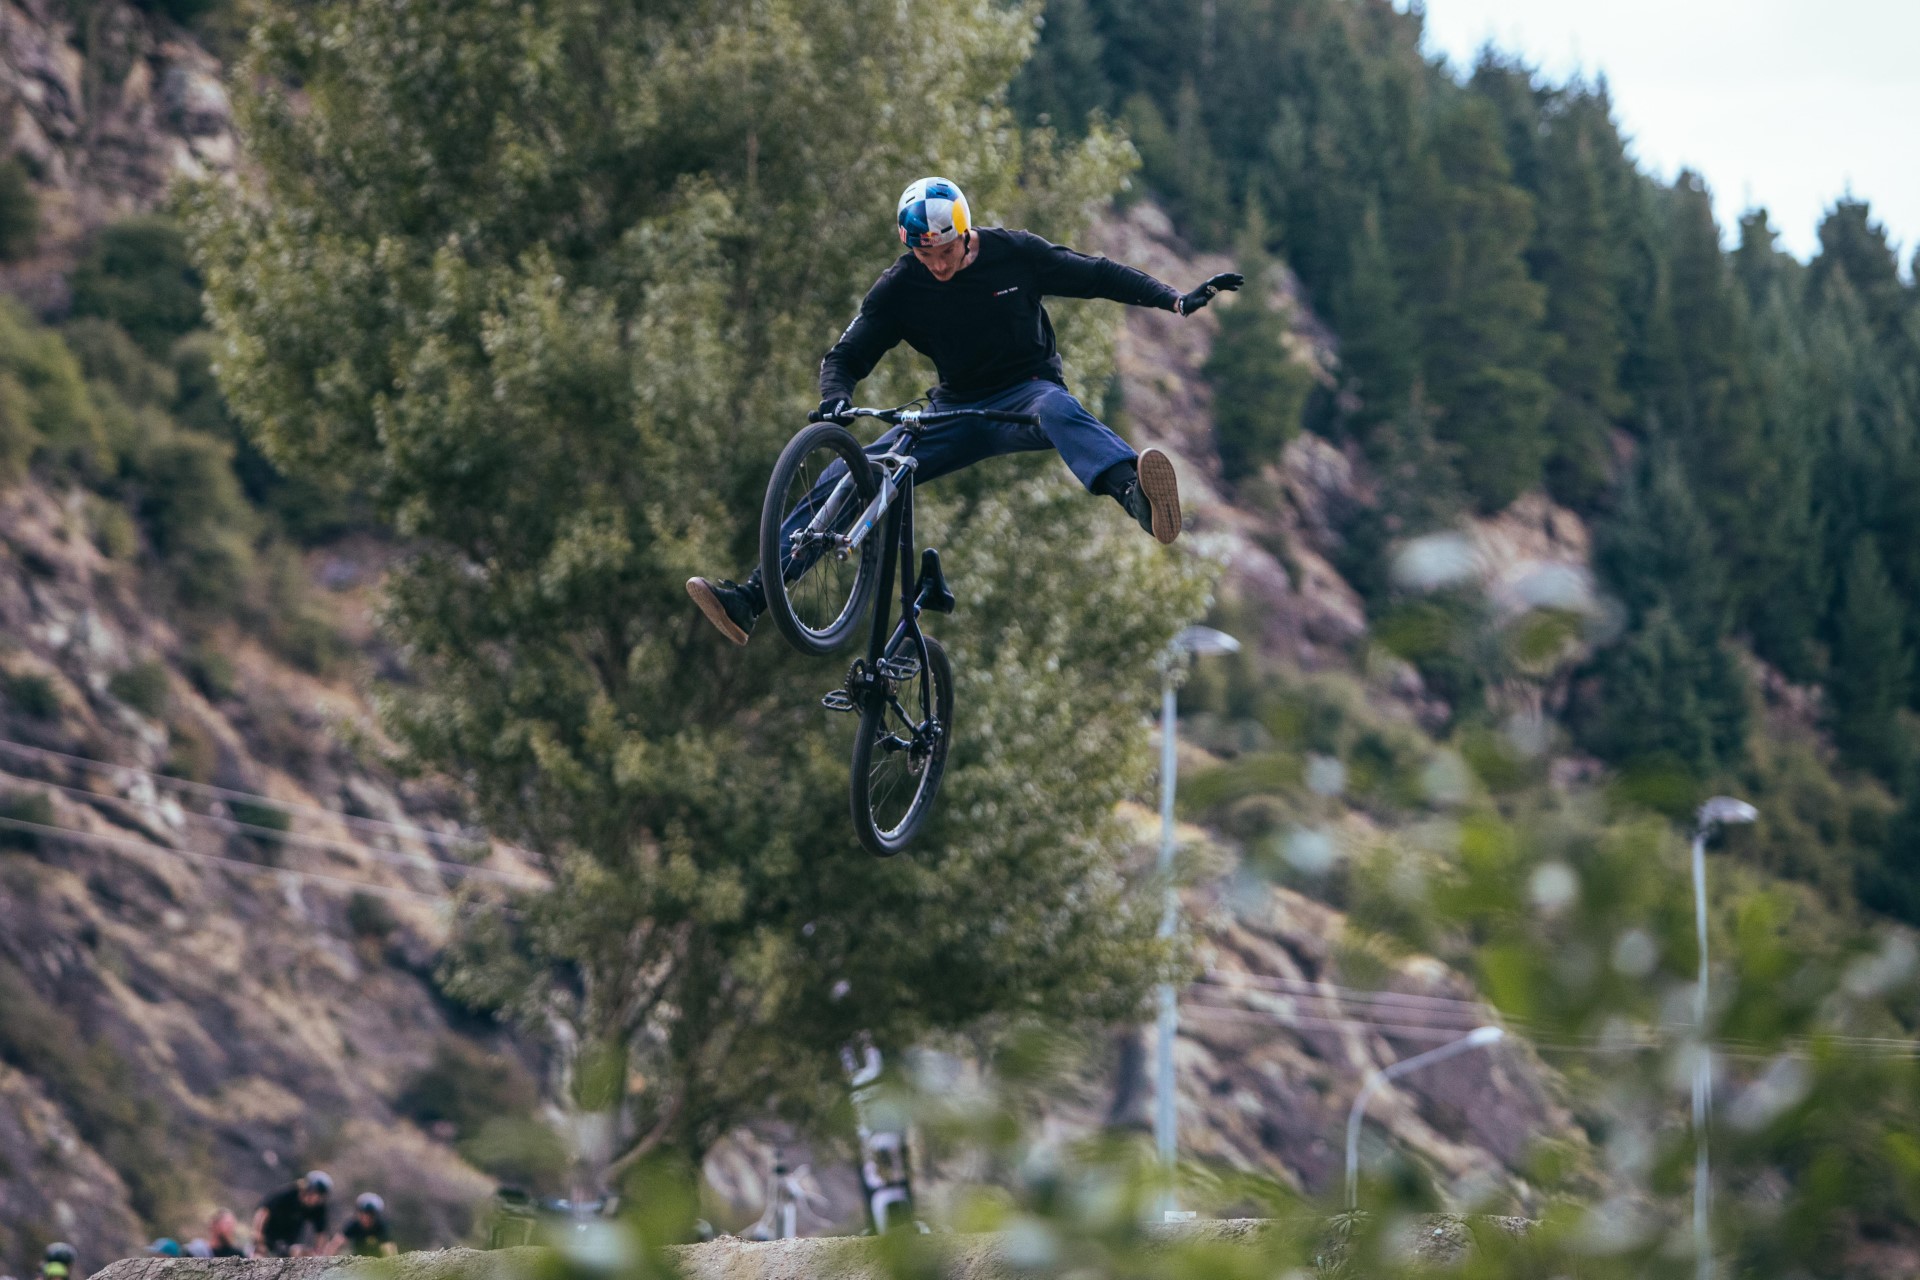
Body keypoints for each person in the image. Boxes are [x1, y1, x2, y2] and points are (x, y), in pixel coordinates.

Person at [686, 175, 1241, 645]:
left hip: (1025, 391)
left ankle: (1135, 496)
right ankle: (753, 598)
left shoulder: (1014, 253)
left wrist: (1173, 298)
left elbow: (1094, 274)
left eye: (945, 252)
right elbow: (846, 355)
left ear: (965, 233)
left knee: (1058, 409)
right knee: (846, 474)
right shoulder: (901, 287)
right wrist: (836, 400)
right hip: (952, 412)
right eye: (924, 254)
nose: (937, 265)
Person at [252, 1169, 333, 1257]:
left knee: (298, 1253)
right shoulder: (288, 1193)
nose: (318, 1200)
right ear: (309, 1190)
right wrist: (258, 1234)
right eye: (317, 1195)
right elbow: (263, 1212)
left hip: (289, 1240)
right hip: (269, 1234)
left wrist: (318, 1251)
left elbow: (321, 1232)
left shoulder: (318, 1207)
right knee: (258, 1257)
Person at [334, 1193, 397, 1258]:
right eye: (363, 1214)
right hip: (357, 1260)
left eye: (370, 1215)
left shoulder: (380, 1226)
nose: (366, 1218)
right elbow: (337, 1243)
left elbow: (389, 1247)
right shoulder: (354, 1225)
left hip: (379, 1261)